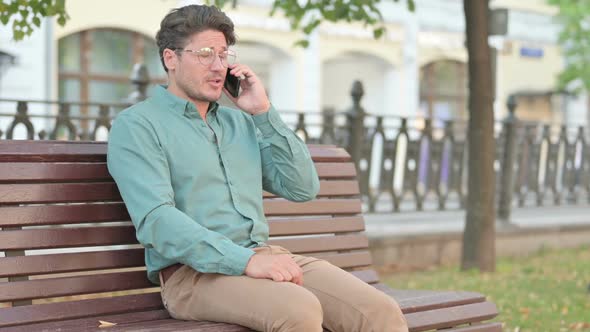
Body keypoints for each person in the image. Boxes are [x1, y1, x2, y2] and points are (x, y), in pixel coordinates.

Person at [107, 4, 408, 332]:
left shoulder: (241, 123)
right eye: (205, 53)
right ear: (170, 58)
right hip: (191, 276)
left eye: (224, 55)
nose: (218, 66)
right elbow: (157, 221)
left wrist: (263, 112)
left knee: (379, 311)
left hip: (264, 257)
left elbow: (302, 186)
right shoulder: (138, 125)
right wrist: (246, 261)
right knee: (298, 308)